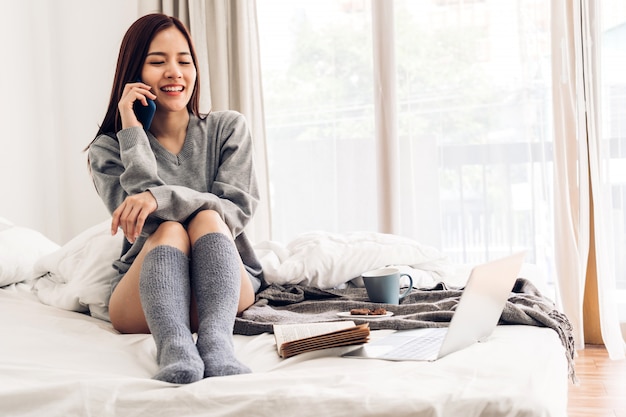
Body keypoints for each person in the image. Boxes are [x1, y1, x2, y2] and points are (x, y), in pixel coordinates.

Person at [85, 13, 263, 384]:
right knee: (167, 231)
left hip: (223, 292)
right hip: (146, 301)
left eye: (184, 61)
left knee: (209, 218)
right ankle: (174, 347)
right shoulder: (107, 149)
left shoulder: (228, 127)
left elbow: (236, 209)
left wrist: (160, 196)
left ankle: (217, 343)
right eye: (157, 61)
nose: (174, 72)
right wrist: (131, 132)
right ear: (133, 72)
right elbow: (142, 220)